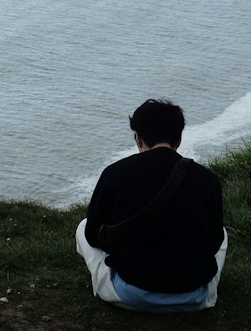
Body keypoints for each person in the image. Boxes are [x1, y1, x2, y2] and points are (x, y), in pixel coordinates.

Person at [75, 99, 227, 312]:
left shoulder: (116, 173)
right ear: (179, 139)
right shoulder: (207, 179)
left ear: (138, 138)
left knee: (82, 227)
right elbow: (214, 241)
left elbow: (92, 235)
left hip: (130, 295)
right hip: (194, 297)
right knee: (222, 233)